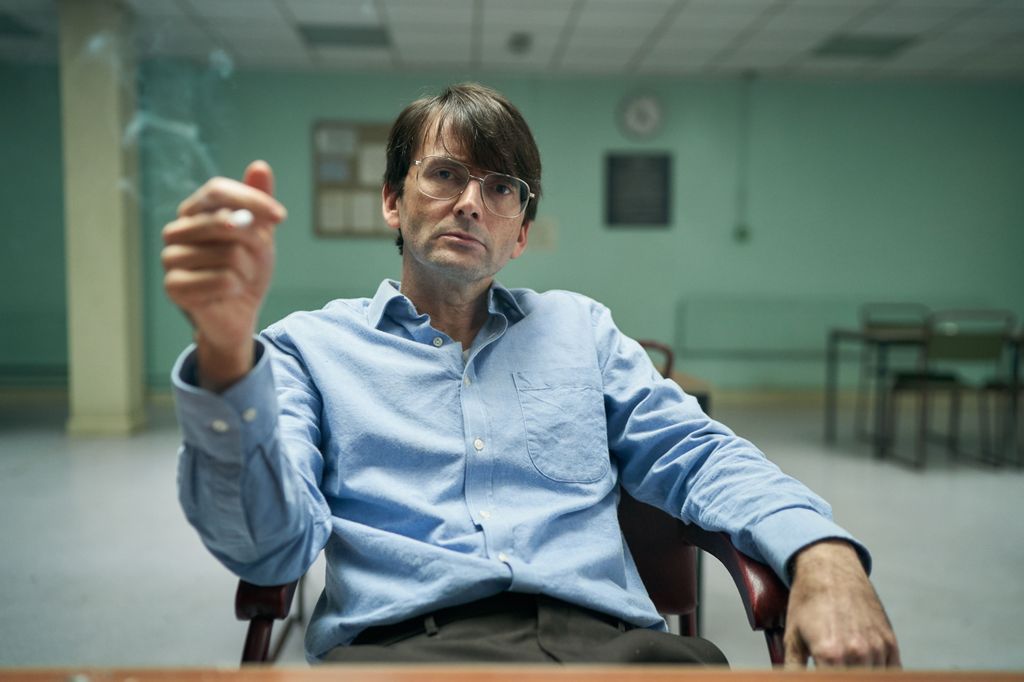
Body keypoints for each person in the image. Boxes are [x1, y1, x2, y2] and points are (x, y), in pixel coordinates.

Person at [163, 82, 900, 667]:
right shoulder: (306, 352)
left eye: (501, 189)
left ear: (519, 233)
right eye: (444, 175)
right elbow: (268, 548)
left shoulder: (582, 332)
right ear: (392, 200)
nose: (470, 203)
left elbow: (700, 454)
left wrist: (821, 550)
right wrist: (228, 354)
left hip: (615, 650)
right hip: (407, 652)